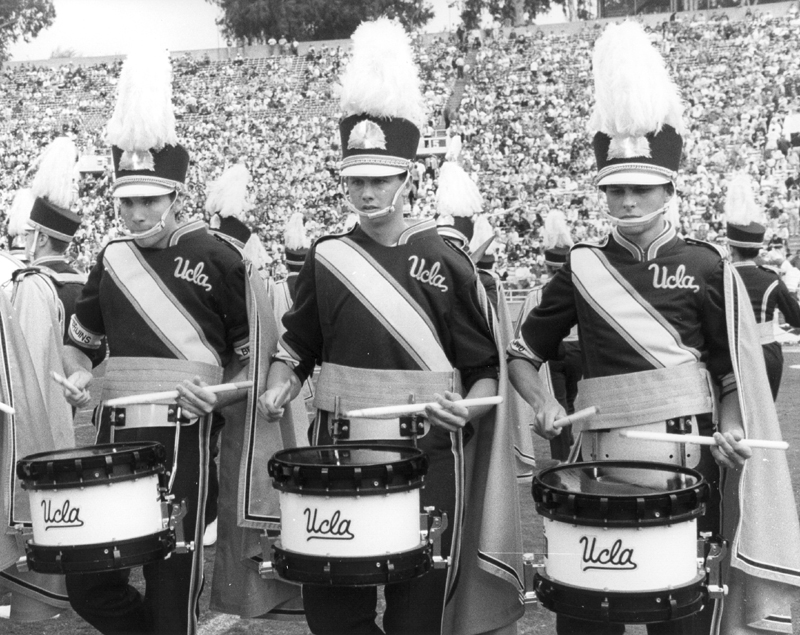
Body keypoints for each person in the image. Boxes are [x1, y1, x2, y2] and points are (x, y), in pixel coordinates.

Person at [509, 21, 799, 634]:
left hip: (690, 464)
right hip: (597, 461)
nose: (628, 202)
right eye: (615, 191)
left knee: (682, 622)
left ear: (668, 187)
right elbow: (522, 352)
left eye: (641, 189)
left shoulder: (705, 264)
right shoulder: (581, 266)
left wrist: (731, 427)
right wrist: (541, 403)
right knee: (590, 617)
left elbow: (729, 375)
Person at [259, 18, 523, 635]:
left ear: (409, 178)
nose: (368, 192)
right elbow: (297, 347)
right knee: (332, 611)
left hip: (429, 450)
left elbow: (487, 373)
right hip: (338, 443)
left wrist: (472, 410)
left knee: (415, 614)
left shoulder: (448, 259)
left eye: (381, 179)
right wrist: (279, 385)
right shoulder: (325, 256)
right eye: (357, 180)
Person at [60, 47, 251, 635]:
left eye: (149, 200)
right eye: (126, 201)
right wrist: (77, 375)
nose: (136, 212)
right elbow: (81, 343)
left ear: (174, 197)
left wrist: (223, 397)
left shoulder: (221, 256)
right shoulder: (110, 258)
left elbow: (252, 364)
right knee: (89, 582)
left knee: (171, 594)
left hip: (188, 444)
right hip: (114, 436)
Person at [725, 173, 800, 399]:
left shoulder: (719, 276)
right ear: (758, 249)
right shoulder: (771, 279)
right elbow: (796, 319)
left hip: (728, 352)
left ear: (731, 248)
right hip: (765, 352)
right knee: (764, 415)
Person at [515, 210, 578, 462]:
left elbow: (523, 335)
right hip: (578, 351)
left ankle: (563, 456)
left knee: (557, 403)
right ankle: (569, 450)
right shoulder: (582, 291)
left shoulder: (538, 294)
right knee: (569, 403)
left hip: (554, 354)